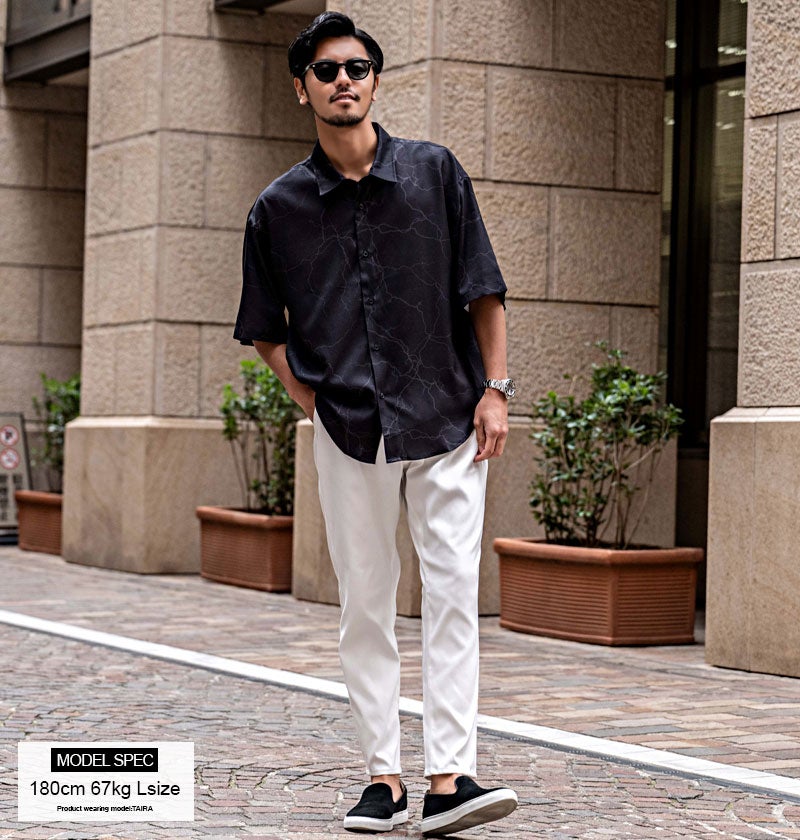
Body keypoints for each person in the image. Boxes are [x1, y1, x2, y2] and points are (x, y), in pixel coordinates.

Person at [233, 11, 518, 836]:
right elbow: (264, 329)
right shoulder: (277, 208)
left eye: (356, 67)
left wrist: (496, 390)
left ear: (375, 80)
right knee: (365, 602)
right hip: (349, 429)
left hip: (448, 417)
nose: (343, 81)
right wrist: (312, 402)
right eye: (326, 71)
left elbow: (482, 289)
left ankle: (449, 779)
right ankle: (383, 779)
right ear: (302, 89)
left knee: (453, 594)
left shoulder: (435, 172)